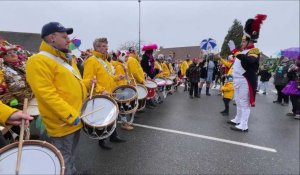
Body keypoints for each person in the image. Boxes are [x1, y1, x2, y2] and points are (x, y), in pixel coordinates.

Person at [26, 22, 88, 175]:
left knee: (70, 153)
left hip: (76, 117)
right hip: (63, 121)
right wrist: (70, 115)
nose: (69, 40)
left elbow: (72, 85)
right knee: (62, 158)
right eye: (64, 36)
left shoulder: (65, 59)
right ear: (52, 38)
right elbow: (46, 94)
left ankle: (72, 172)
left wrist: (87, 85)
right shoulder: (38, 60)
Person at [83, 37, 126, 150]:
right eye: (103, 46)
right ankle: (101, 141)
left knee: (112, 115)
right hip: (101, 95)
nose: (106, 48)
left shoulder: (106, 61)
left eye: (107, 46)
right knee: (103, 118)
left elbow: (108, 77)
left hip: (110, 93)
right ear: (97, 47)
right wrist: (101, 90)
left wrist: (117, 78)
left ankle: (113, 136)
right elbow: (88, 80)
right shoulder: (92, 60)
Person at [227, 14, 267, 132]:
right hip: (237, 79)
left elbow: (250, 61)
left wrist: (235, 51)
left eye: (244, 41)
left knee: (244, 103)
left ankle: (244, 125)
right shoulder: (242, 51)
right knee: (238, 101)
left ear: (250, 41)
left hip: (245, 80)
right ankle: (238, 119)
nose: (242, 43)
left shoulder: (254, 50)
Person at [141, 44, 158, 108]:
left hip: (151, 75)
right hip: (147, 76)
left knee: (151, 89)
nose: (153, 51)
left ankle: (150, 101)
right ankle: (147, 103)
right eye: (152, 50)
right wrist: (147, 76)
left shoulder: (151, 58)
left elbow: (152, 66)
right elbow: (143, 68)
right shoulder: (144, 58)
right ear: (149, 51)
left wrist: (155, 71)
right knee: (148, 89)